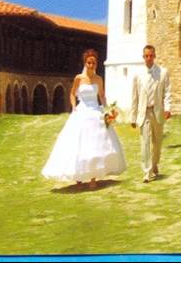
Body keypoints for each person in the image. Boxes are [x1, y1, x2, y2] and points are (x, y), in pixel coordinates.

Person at [42, 48, 126, 189]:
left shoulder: (98, 79)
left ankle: (93, 178)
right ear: (85, 63)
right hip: (82, 112)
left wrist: (108, 110)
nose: (91, 65)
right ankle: (79, 179)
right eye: (89, 63)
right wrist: (74, 107)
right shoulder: (78, 79)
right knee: (78, 145)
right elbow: (72, 94)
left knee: (95, 146)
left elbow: (102, 96)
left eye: (93, 63)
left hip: (96, 113)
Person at [130, 44, 171, 183]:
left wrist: (168, 108)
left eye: (151, 55)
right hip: (144, 112)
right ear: (143, 57)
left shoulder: (163, 72)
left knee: (157, 143)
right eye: (146, 56)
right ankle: (146, 172)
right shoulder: (137, 75)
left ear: (154, 56)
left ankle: (154, 164)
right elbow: (134, 97)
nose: (149, 58)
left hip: (157, 111)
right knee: (145, 143)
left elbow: (167, 92)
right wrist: (133, 116)